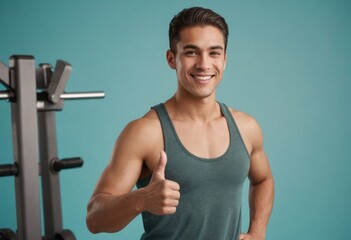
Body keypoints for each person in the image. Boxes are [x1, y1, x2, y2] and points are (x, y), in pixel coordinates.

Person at [86, 6, 274, 240]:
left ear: (225, 59)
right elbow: (94, 219)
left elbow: (263, 179)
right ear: (171, 59)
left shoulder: (246, 128)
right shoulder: (146, 132)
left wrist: (258, 231)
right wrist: (141, 199)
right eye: (191, 52)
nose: (204, 64)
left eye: (214, 53)